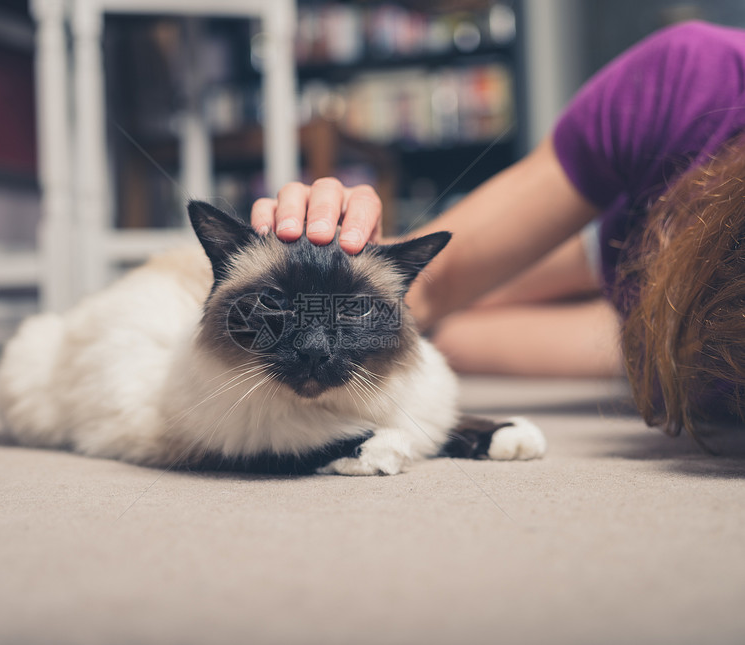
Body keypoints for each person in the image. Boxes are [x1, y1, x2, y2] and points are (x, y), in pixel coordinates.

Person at [250, 21, 745, 439]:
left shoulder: (677, 347)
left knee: (444, 342)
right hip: (621, 247)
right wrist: (352, 266)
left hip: (652, 330)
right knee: (423, 318)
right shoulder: (698, 79)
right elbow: (430, 287)